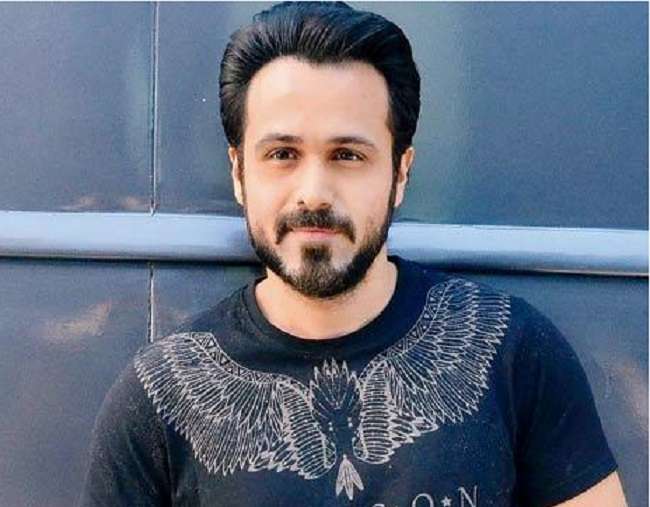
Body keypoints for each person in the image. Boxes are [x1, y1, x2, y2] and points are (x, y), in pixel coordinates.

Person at [78, 2, 628, 506]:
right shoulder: (160, 398)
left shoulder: (511, 350)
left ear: (400, 173)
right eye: (282, 154)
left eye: (347, 155)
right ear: (239, 173)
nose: (314, 192)